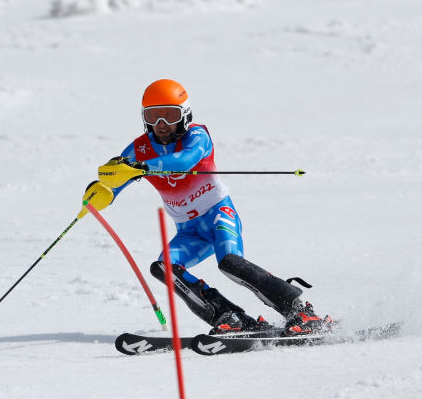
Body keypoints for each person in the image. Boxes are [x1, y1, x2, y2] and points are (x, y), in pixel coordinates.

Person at [89, 78, 329, 335]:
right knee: (164, 268)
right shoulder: (140, 148)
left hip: (218, 216)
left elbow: (185, 160)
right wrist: (97, 194)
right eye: (153, 115)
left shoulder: (197, 135)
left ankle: (299, 310)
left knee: (230, 262)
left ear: (185, 114)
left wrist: (141, 167)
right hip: (189, 232)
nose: (161, 124)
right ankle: (229, 316)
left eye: (170, 115)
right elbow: (112, 183)